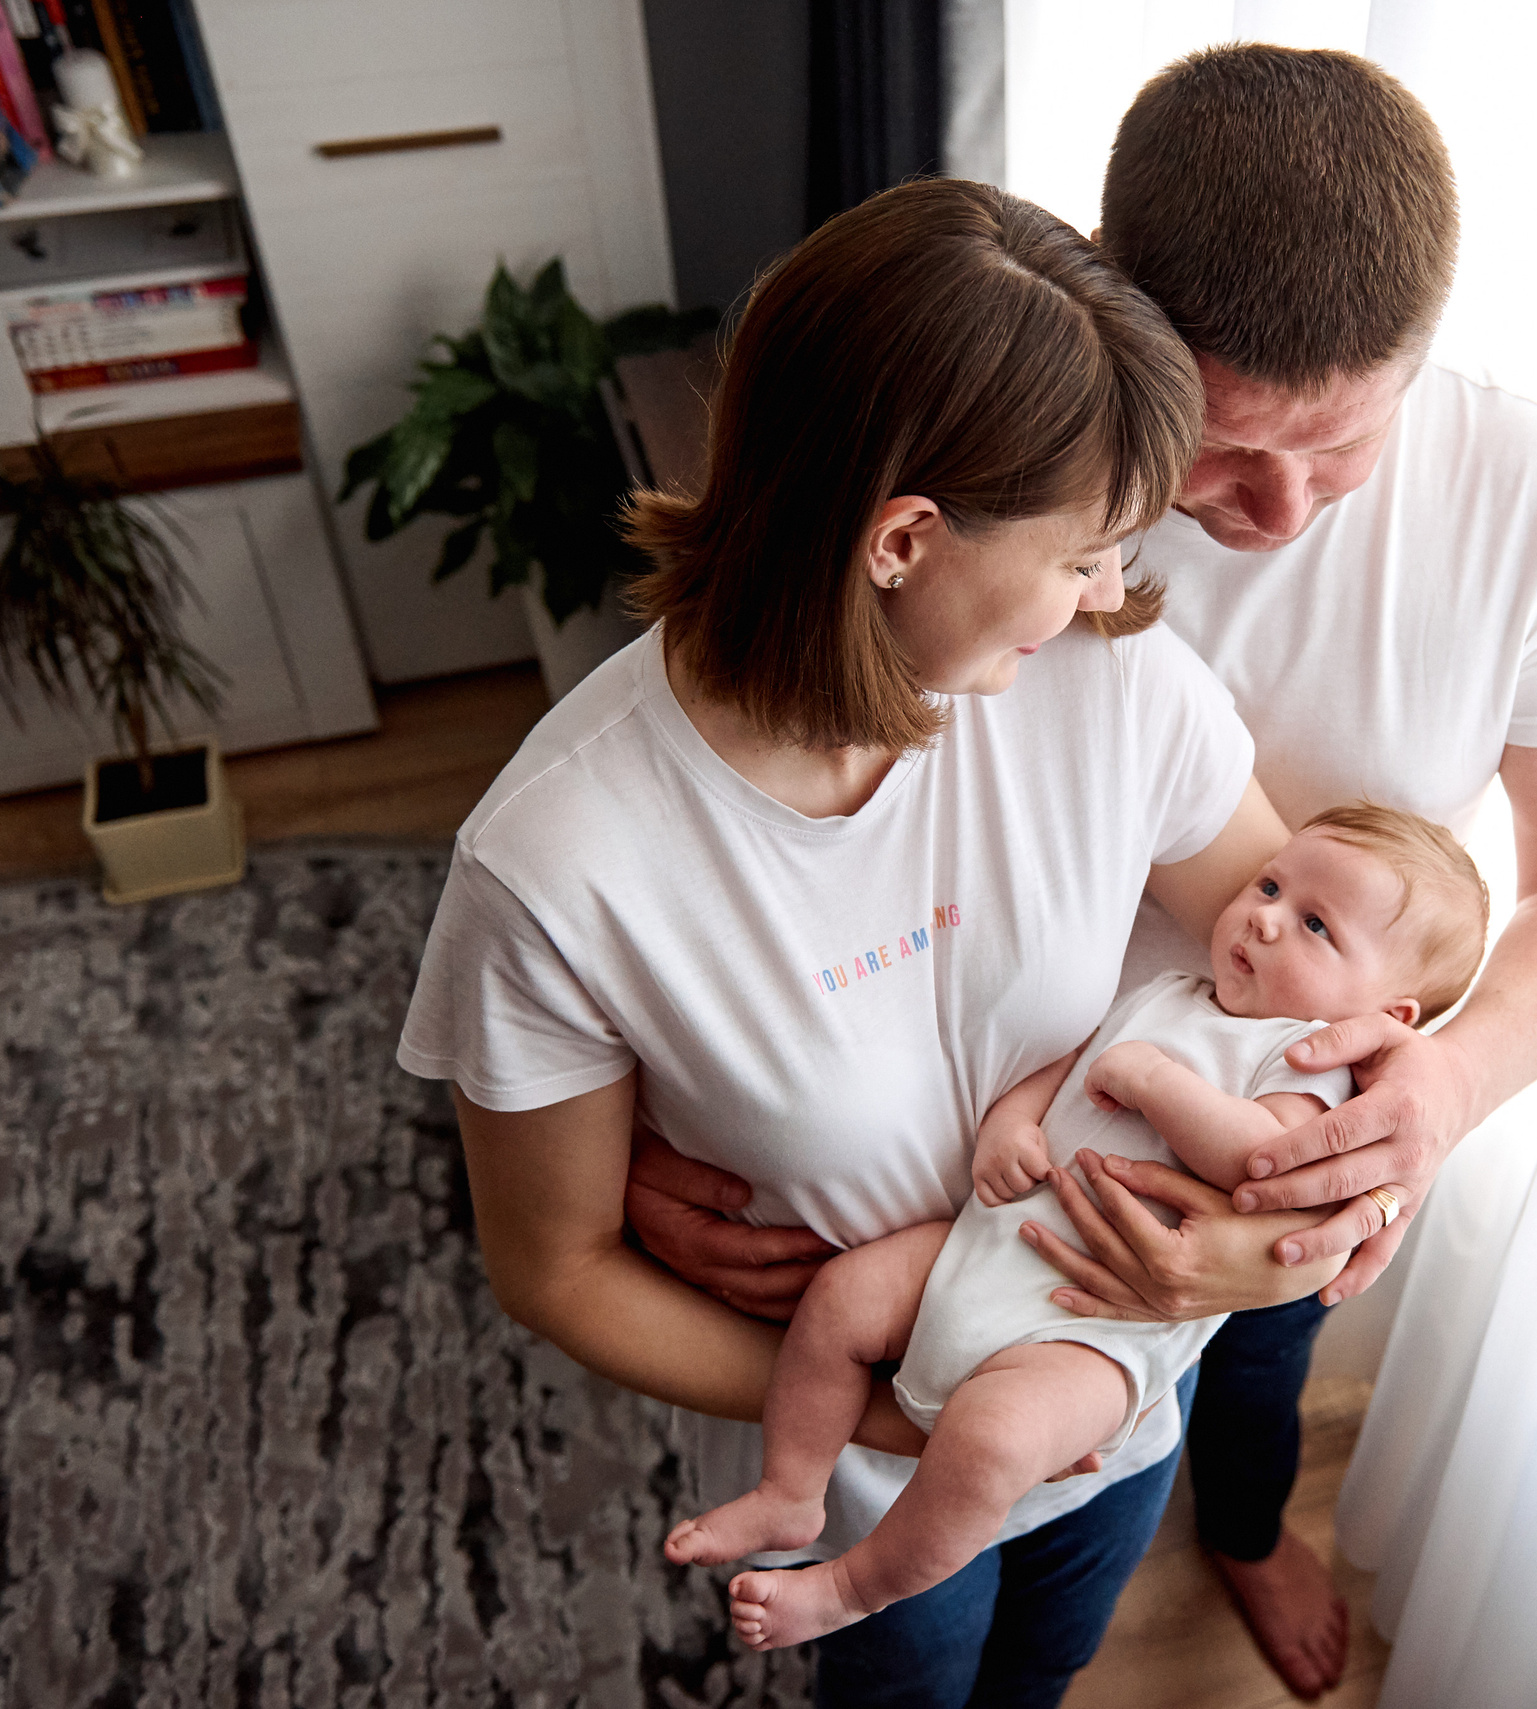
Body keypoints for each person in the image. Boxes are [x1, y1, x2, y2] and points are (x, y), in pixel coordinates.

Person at [627, 46, 1537, 1699]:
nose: (1281, 507)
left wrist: (1431, 1098)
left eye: (1347, 444)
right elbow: (764, 776)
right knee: (933, 1534)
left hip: (1283, 1129)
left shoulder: (1534, 496)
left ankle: (1241, 1530)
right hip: (960, 1122)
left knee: (1248, 1389)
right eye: (1229, 451)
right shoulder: (1013, 485)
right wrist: (664, 1123)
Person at [396, 177, 1342, 1709]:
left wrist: (1269, 1244)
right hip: (851, 1473)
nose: (1116, 590)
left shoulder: (1107, 680)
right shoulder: (558, 864)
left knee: (1049, 1661)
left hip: (1115, 1410)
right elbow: (554, 1264)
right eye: (1088, 548)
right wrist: (898, 1423)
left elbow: (1322, 993)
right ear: (905, 538)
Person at [667, 807, 1489, 1653]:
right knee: (843, 1295)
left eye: (1316, 925)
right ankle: (791, 1487)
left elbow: (1263, 1161)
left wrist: (1157, 1081)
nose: (1266, 916)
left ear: (1389, 1016)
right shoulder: (1172, 991)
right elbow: (1064, 1060)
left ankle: (852, 1585)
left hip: (1094, 1333)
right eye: (1271, 883)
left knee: (990, 1445)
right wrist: (1014, 1124)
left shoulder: (1309, 1066)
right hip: (993, 1242)